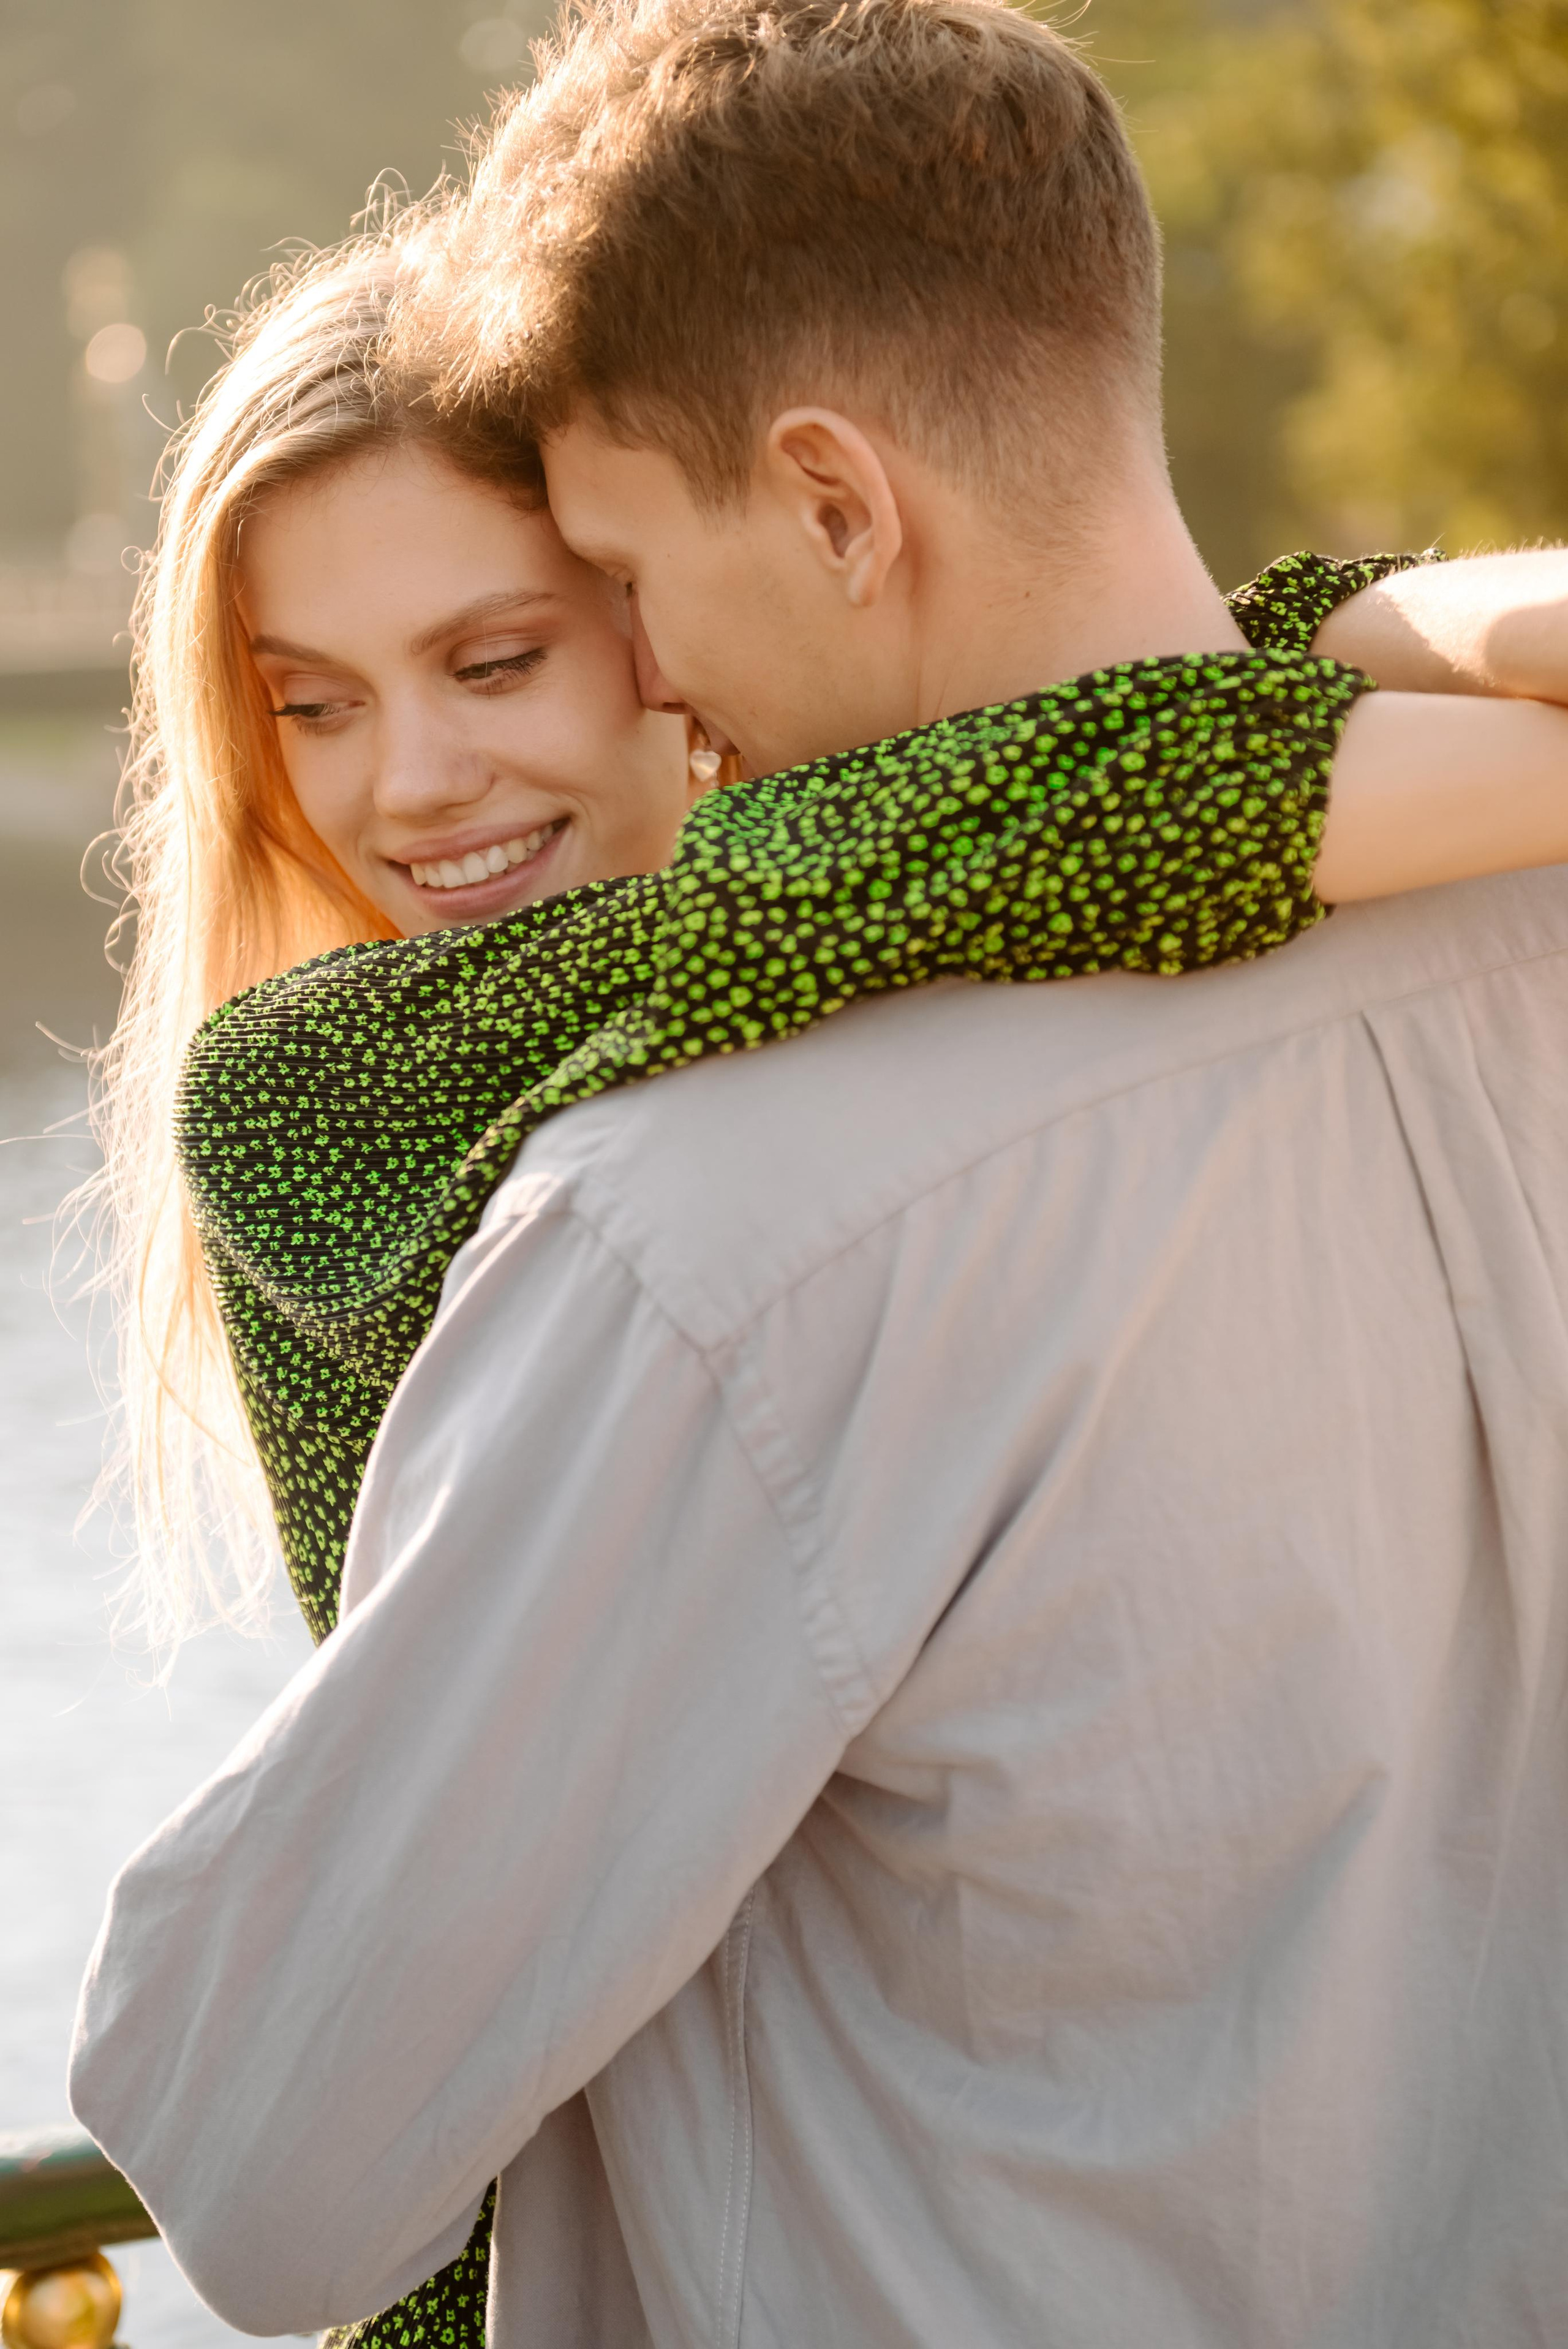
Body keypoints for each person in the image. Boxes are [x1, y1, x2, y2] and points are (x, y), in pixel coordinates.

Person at [73, 2, 1568, 2340]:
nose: (417, 782)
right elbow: (939, 842)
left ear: (834, 508)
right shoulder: (1503, 926)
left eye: (558, 621)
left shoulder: (710, 1228)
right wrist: (1386, 642)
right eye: (311, 700)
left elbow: (256, 2162)